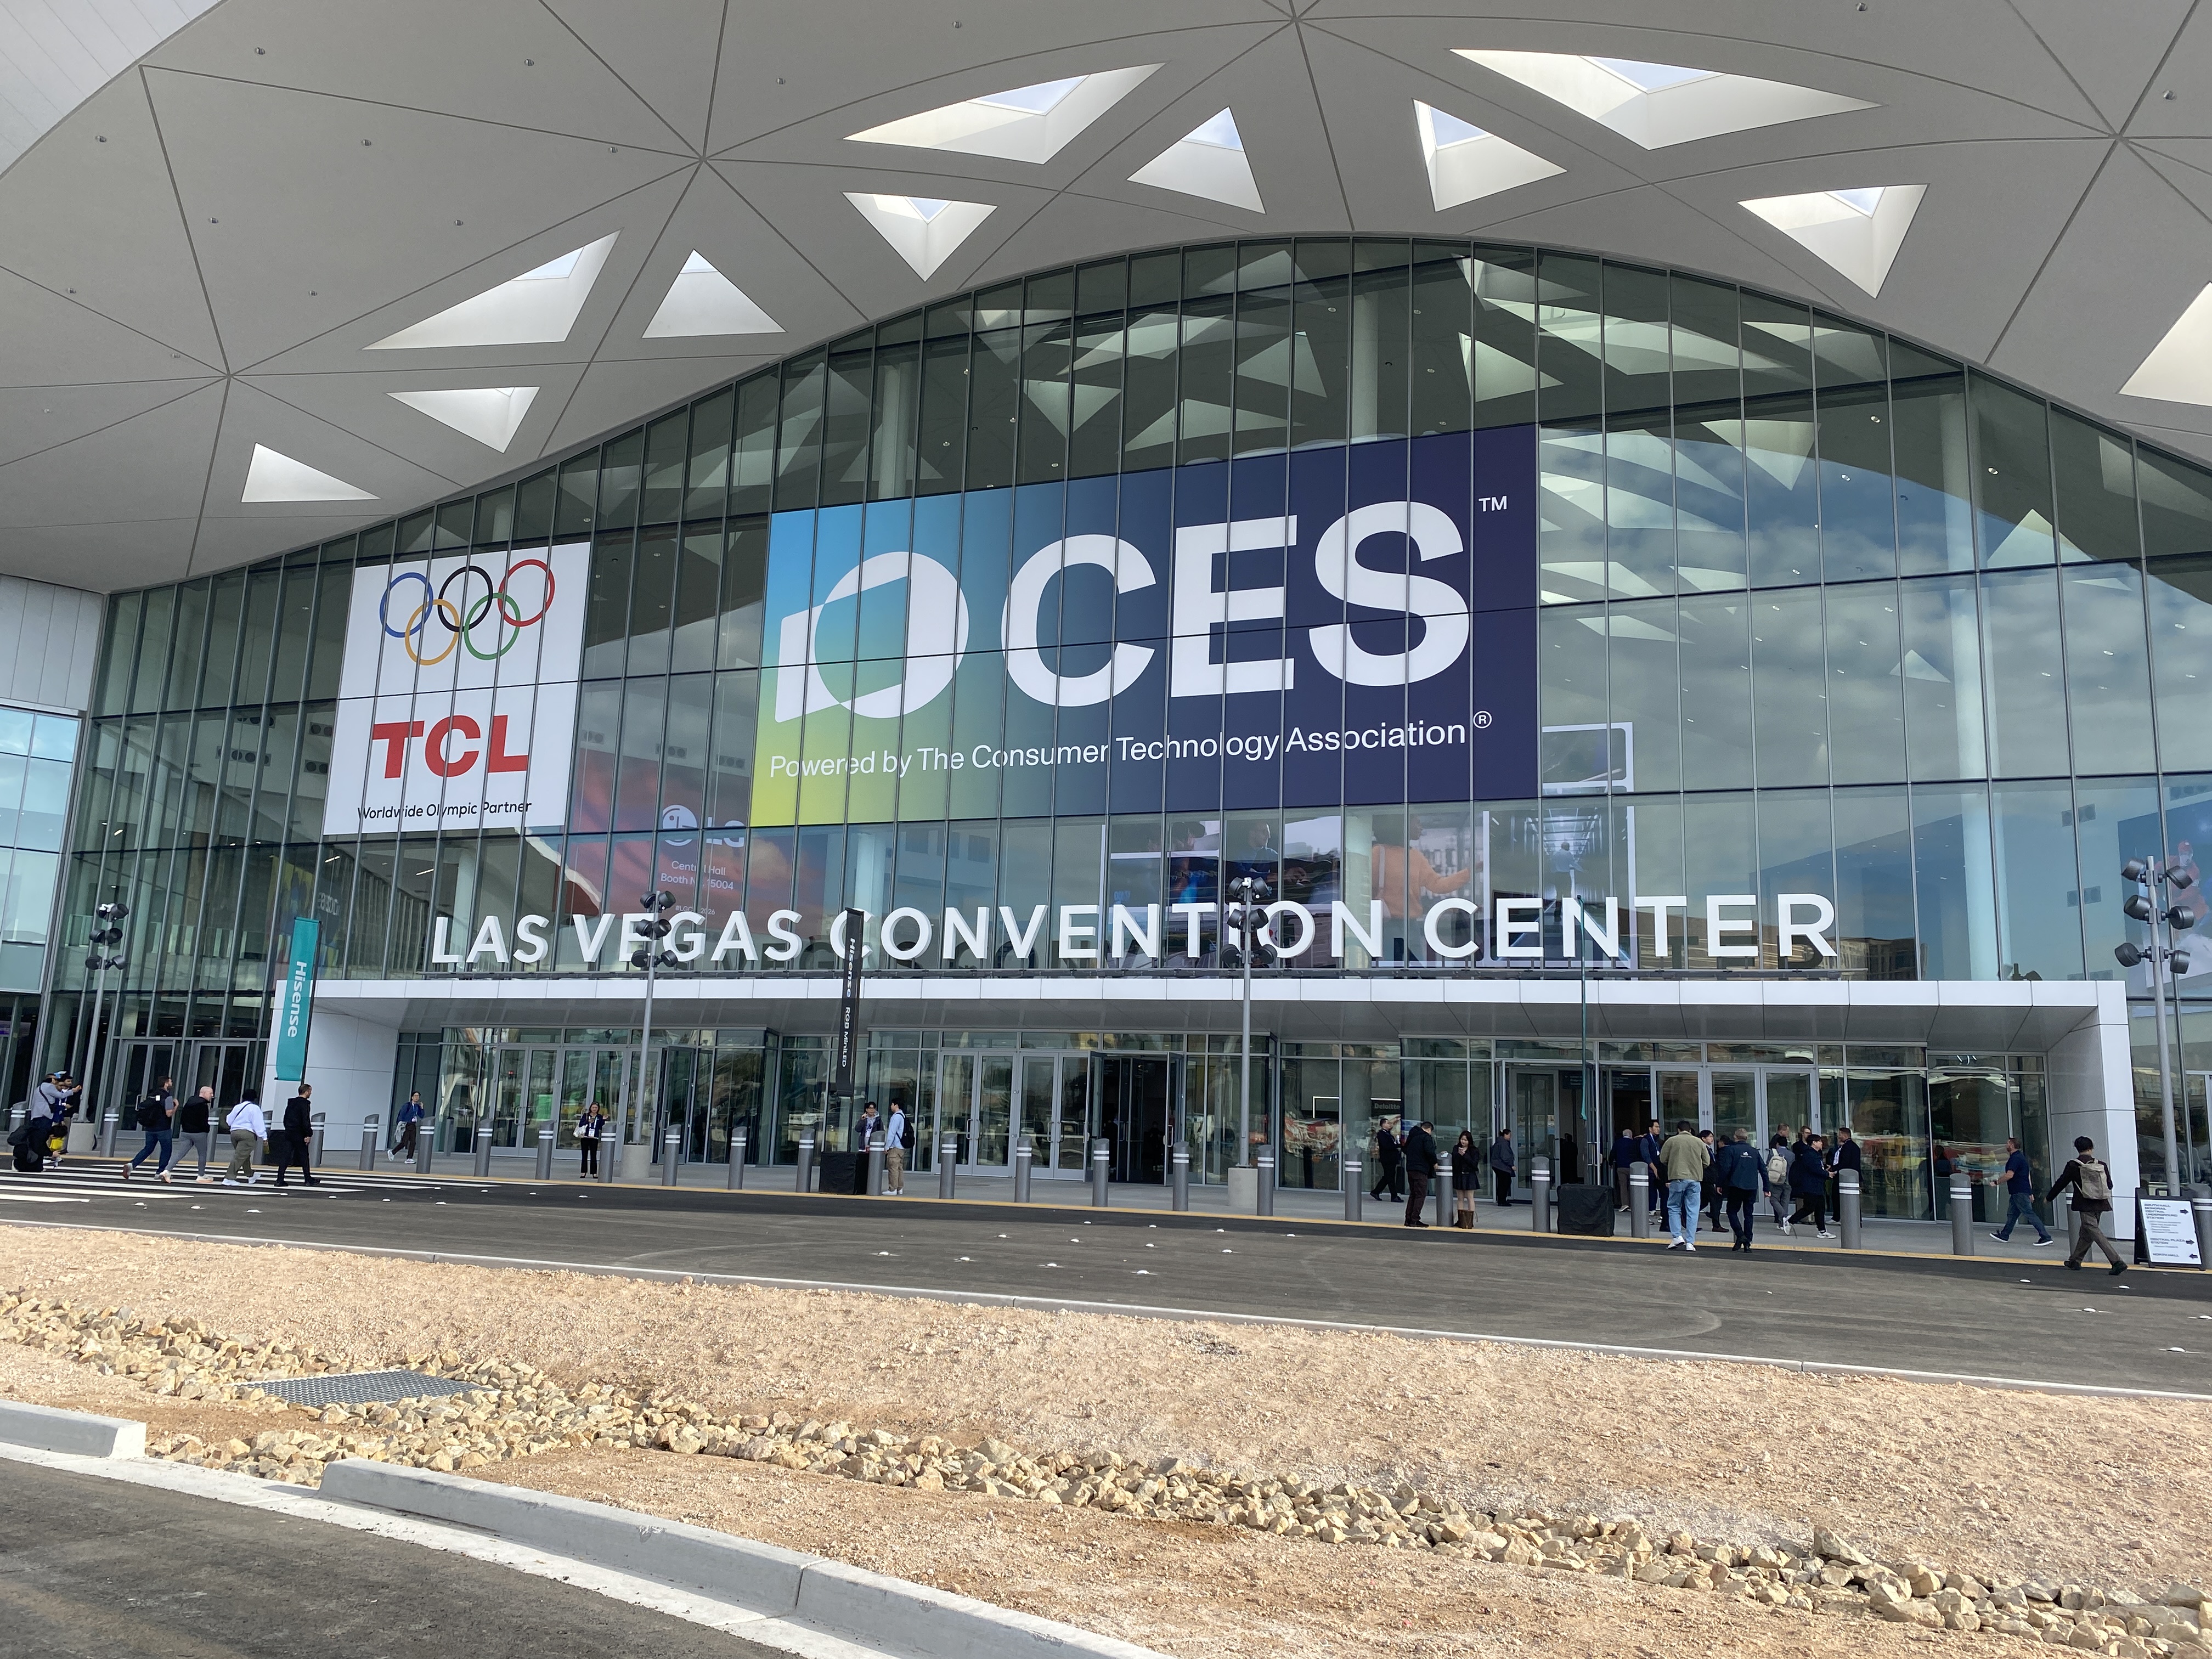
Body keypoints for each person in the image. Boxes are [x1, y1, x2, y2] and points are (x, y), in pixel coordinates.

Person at [2049, 1135, 2125, 1274]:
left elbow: (2062, 1182)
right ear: (2091, 1148)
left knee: (2093, 1230)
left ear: (2077, 1149)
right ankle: (2075, 1260)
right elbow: (2109, 1185)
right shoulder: (2101, 1164)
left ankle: (2116, 1261)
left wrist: (2049, 1198)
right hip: (2101, 1203)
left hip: (2085, 1203)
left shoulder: (2073, 1165)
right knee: (2086, 1233)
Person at [1991, 1136, 2053, 1246]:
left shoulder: (2015, 1159)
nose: (2006, 1145)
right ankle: (2005, 1235)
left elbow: (2010, 1175)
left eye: (2007, 1143)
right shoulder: (2021, 1157)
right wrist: (2030, 1192)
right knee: (2012, 1215)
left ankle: (2045, 1237)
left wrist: (1997, 1182)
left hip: (2019, 1191)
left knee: (2029, 1214)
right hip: (2019, 1191)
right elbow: (2027, 1176)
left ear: (2012, 1145)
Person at [1659, 1120, 1709, 1250]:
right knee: (1693, 1211)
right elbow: (1707, 1162)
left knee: (1674, 1207)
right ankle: (1690, 1243)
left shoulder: (1671, 1141)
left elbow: (1663, 1159)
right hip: (1695, 1180)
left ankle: (1677, 1237)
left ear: (1678, 1130)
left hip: (1677, 1178)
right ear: (1690, 1130)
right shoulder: (1699, 1142)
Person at [1716, 1127, 1764, 1251]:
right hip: (1752, 1186)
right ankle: (1747, 1241)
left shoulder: (1731, 1150)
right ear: (1747, 1138)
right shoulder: (1754, 1152)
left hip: (1735, 1185)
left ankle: (1740, 1235)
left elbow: (1726, 1169)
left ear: (1735, 1137)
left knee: (1732, 1211)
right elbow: (1763, 1169)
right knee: (1749, 1214)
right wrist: (1766, 1187)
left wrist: (1720, 1184)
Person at [123, 1074, 177, 1181]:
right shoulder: (167, 1097)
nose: (171, 1083)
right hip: (163, 1128)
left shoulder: (152, 1095)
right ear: (166, 1083)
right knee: (166, 1150)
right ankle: (160, 1172)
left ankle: (132, 1165)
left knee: (148, 1148)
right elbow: (169, 1113)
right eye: (170, 1082)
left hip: (150, 1128)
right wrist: (176, 1106)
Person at [274, 1084, 319, 1187]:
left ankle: (280, 1179)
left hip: (289, 1132)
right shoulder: (305, 1104)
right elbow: (305, 1120)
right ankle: (308, 1179)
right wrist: (308, 1134)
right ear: (306, 1092)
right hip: (299, 1133)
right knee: (304, 1157)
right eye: (310, 1091)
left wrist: (288, 1128)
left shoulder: (291, 1103)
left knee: (285, 1156)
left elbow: (286, 1118)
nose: (311, 1093)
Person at [1790, 1132, 1832, 1237]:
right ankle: (1790, 1221)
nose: (1822, 1143)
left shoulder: (1815, 1154)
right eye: (1819, 1141)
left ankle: (1822, 1231)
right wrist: (1827, 1174)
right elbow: (1814, 1169)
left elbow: (1817, 1168)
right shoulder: (1809, 1154)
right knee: (1809, 1207)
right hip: (1811, 1186)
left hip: (1817, 1185)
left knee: (1820, 1208)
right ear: (1814, 1143)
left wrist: (1825, 1170)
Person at [26, 1073, 72, 1171]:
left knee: (39, 1140)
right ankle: (41, 1161)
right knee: (40, 1140)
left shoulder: (41, 1088)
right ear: (51, 1080)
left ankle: (39, 1162)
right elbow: (60, 1096)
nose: (57, 1082)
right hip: (44, 1117)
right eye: (55, 1079)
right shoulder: (48, 1087)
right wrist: (73, 1091)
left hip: (39, 1116)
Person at [1402, 1119, 1439, 1227]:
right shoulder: (1426, 1137)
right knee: (1420, 1195)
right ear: (1429, 1130)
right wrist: (1435, 1163)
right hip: (1421, 1169)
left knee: (1413, 1194)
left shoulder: (1412, 1136)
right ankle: (1415, 1219)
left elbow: (1405, 1149)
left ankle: (1408, 1219)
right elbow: (1429, 1151)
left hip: (1411, 1168)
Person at [223, 1091, 266, 1185]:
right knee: (240, 1156)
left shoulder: (237, 1107)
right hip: (247, 1134)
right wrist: (264, 1136)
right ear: (255, 1099)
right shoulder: (254, 1108)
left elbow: (229, 1120)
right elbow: (258, 1124)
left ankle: (250, 1175)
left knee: (244, 1155)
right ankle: (229, 1178)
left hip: (234, 1133)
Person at [176, 1085, 216, 1181]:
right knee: (202, 1154)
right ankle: (201, 1175)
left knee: (180, 1153)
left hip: (186, 1132)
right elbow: (203, 1120)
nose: (212, 1095)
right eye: (210, 1093)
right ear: (204, 1093)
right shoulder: (203, 1105)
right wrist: (207, 1129)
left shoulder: (189, 1103)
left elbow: (183, 1117)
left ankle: (167, 1171)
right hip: (199, 1133)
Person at [1765, 1130, 1795, 1234]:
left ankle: (1784, 1216)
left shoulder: (1773, 1153)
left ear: (1778, 1144)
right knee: (1785, 1201)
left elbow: (1768, 1166)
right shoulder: (1792, 1155)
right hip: (1788, 1181)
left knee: (1773, 1199)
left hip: (1775, 1181)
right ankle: (1782, 1224)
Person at [1449, 1130, 1480, 1228]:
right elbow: (1454, 1162)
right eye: (1462, 1139)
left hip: (1469, 1175)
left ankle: (1470, 1220)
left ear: (1469, 1141)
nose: (1463, 1142)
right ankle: (1461, 1220)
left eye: (1466, 1140)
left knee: (1470, 1197)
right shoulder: (1456, 1148)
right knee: (1460, 1198)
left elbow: (1474, 1164)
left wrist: (1465, 1155)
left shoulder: (1474, 1150)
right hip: (1459, 1175)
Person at [1369, 1117, 1405, 1202]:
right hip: (1387, 1159)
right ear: (1383, 1124)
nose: (1390, 1125)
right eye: (1388, 1123)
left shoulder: (1389, 1134)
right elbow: (1387, 1146)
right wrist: (1397, 1146)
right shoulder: (1382, 1134)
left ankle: (1376, 1192)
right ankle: (1394, 1196)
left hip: (1391, 1159)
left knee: (1388, 1177)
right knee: (1390, 1177)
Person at [1697, 1128, 1724, 1233]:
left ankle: (1685, 1214)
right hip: (1706, 1179)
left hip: (1710, 1179)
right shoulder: (1702, 1149)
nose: (1712, 1139)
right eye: (1710, 1137)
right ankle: (1716, 1225)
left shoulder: (1709, 1149)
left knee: (1704, 1201)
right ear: (1703, 1138)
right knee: (1714, 1200)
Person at [1609, 1125, 1640, 1211]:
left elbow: (1612, 1153)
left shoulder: (1618, 1142)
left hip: (1621, 1167)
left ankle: (1624, 1204)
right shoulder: (1634, 1143)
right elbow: (1638, 1154)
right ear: (1631, 1135)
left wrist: (1610, 1163)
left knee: (1623, 1186)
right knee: (1632, 1186)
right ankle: (1632, 1204)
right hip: (1632, 1167)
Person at [1487, 1124, 1517, 1207]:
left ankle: (1501, 1200)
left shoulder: (1499, 1142)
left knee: (1502, 1182)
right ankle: (1502, 1200)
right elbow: (1506, 1156)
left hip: (1497, 1165)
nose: (1510, 1137)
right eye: (1509, 1135)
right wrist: (1511, 1165)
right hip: (1501, 1166)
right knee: (1505, 1182)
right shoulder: (1504, 1144)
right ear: (1505, 1135)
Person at [576, 1100, 606, 1177]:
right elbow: (581, 1124)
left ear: (598, 1109)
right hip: (585, 1137)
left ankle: (594, 1173)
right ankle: (584, 1172)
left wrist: (603, 1120)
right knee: (584, 1155)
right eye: (593, 1108)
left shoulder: (599, 1117)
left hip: (594, 1138)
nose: (594, 1109)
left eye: (596, 1108)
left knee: (593, 1155)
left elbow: (601, 1127)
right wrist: (588, 1122)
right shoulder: (586, 1115)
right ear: (591, 1108)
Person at [394, 1090, 426, 1161]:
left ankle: (410, 1158)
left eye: (418, 1096)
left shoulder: (417, 1107)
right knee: (404, 1142)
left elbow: (421, 1116)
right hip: (407, 1125)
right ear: (412, 1097)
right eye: (415, 1096)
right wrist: (400, 1123)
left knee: (413, 1142)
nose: (417, 1097)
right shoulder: (407, 1105)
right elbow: (401, 1114)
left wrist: (422, 1108)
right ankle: (393, 1152)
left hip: (413, 1125)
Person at [884, 1100, 908, 1195]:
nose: (891, 1106)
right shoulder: (903, 1116)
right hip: (902, 1147)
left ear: (896, 1105)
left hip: (895, 1146)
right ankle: (899, 1188)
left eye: (892, 1105)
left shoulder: (896, 1117)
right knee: (899, 1168)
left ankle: (892, 1189)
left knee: (893, 1167)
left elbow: (892, 1133)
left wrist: (887, 1146)